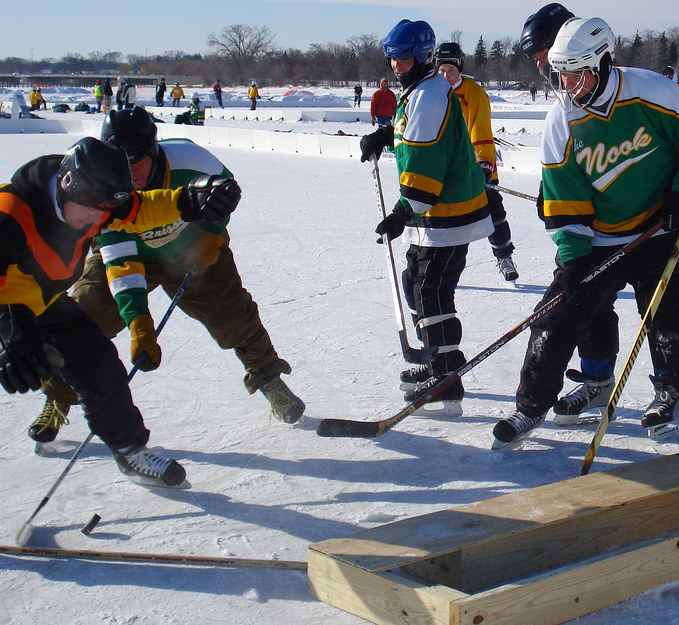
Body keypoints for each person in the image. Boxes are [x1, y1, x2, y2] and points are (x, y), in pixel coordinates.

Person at [492, 16, 679, 449]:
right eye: (561, 77)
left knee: (673, 320)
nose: (568, 88)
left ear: (603, 63)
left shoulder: (650, 91)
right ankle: (530, 407)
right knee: (556, 316)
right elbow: (565, 201)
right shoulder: (560, 121)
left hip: (661, 228)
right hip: (600, 238)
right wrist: (574, 258)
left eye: (577, 76)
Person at [26, 108, 304, 444]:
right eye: (120, 160)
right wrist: (140, 325)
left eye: (137, 158)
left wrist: (211, 234)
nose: (130, 170)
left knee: (231, 312)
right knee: (84, 316)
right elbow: (121, 265)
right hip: (131, 253)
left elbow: (225, 193)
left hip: (191, 249)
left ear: (154, 148)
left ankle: (268, 377)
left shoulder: (190, 160)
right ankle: (58, 396)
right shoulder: (101, 188)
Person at [1, 136, 240, 486]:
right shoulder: (10, 213)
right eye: (91, 212)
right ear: (67, 187)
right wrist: (8, 330)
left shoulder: (96, 201)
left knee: (98, 363)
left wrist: (187, 199)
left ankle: (130, 451)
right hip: (9, 306)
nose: (96, 222)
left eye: (104, 212)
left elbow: (138, 210)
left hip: (47, 301)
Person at [359, 19, 492, 410]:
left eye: (402, 57)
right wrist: (386, 136)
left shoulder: (430, 95)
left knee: (432, 290)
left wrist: (401, 213)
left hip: (447, 213)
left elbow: (425, 168)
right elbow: (410, 135)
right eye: (391, 58)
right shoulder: (419, 90)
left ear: (421, 56)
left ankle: (446, 377)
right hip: (431, 214)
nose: (395, 65)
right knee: (414, 282)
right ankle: (438, 357)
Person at [436, 42, 519, 281]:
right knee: (443, 216)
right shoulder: (434, 92)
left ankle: (504, 256)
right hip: (446, 168)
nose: (446, 76)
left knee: (494, 212)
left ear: (460, 69)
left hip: (477, 164)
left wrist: (483, 165)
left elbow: (481, 130)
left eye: (451, 70)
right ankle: (440, 264)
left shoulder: (473, 92)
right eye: (441, 70)